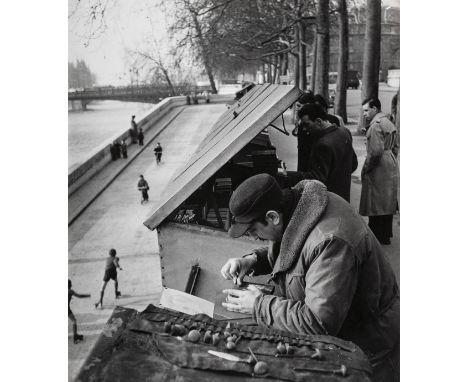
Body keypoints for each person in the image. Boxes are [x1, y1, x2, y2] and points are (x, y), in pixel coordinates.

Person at [220, 174, 399, 381]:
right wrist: (253, 260)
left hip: (371, 348)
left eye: (253, 230)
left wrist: (259, 305)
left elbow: (318, 322)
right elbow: (295, 248)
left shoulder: (330, 241)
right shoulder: (299, 209)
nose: (253, 237)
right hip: (350, 334)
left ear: (272, 217)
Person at [284, 103, 357, 202]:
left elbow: (317, 179)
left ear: (319, 121)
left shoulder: (322, 144)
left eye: (307, 124)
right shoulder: (344, 132)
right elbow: (354, 164)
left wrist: (286, 175)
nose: (305, 129)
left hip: (328, 200)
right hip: (343, 197)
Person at [359, 98, 399, 245]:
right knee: (386, 200)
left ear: (374, 109)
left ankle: (377, 235)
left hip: (379, 165)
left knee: (375, 200)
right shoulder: (387, 121)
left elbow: (375, 152)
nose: (364, 114)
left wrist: (366, 168)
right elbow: (396, 145)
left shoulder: (376, 126)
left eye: (366, 110)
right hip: (389, 161)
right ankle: (385, 234)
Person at [69, 279, 91, 343]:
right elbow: (79, 296)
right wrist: (87, 295)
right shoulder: (70, 291)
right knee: (74, 320)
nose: (71, 285)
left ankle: (75, 336)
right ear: (69, 285)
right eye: (70, 284)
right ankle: (75, 336)